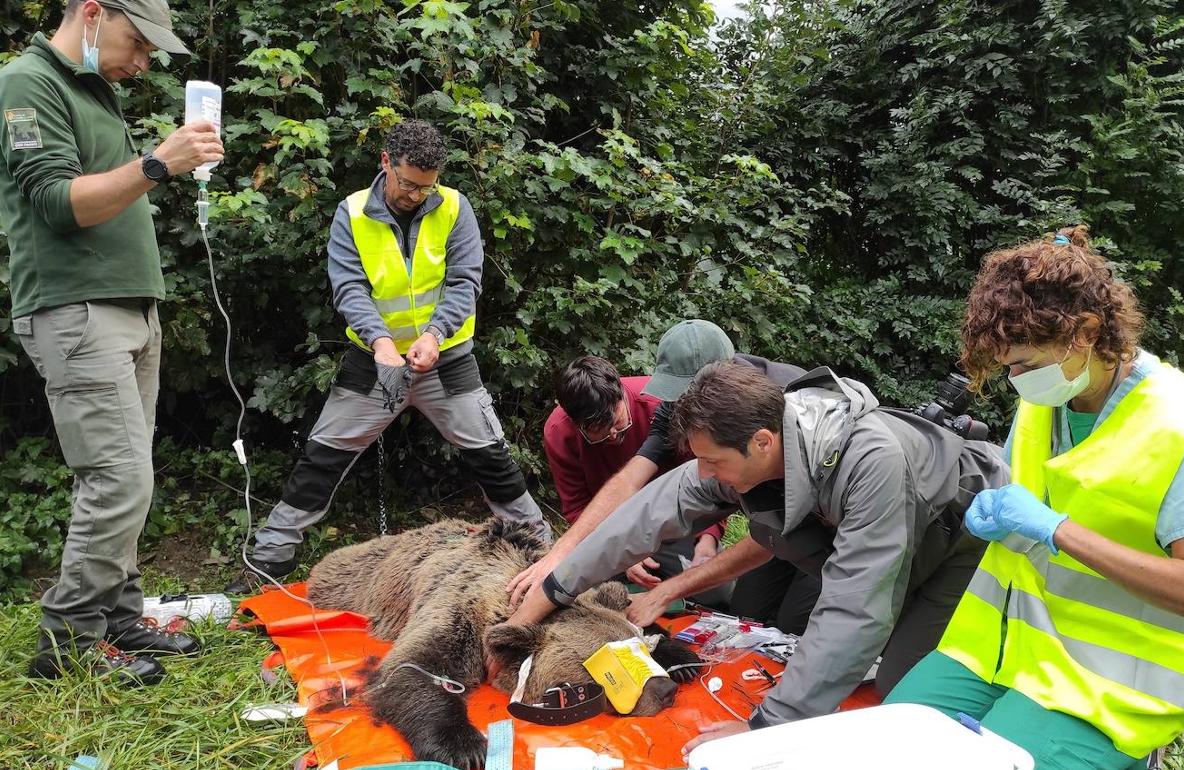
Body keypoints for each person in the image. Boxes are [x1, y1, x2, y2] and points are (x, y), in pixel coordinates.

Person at [495, 361, 1009, 754]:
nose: (705, 475)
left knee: (902, 687)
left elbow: (856, 608)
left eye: (714, 463)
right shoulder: (744, 447)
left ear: (762, 443)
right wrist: (546, 596)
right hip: (898, 547)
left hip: (961, 544)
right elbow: (641, 517)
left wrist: (765, 729)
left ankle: (1007, 706)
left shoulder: (870, 461)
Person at [885, 226, 1184, 770]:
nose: (1016, 381)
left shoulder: (1183, 429)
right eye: (1008, 367)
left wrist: (1056, 530)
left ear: (1086, 332)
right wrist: (1001, 515)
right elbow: (1032, 498)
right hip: (1004, 648)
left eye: (1025, 365)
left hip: (1115, 680)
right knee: (891, 740)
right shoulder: (1050, 398)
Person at [225, 119, 548, 592]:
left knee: (492, 458)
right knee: (322, 457)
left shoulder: (456, 207)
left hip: (448, 361)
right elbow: (349, 288)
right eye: (408, 184)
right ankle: (267, 561)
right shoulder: (351, 212)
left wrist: (435, 335)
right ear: (386, 163)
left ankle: (546, 554)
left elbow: (465, 282)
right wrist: (381, 344)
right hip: (373, 364)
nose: (416, 195)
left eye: (427, 187)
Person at [1, 0, 223, 684]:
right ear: (93, 14)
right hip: (76, 308)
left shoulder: (93, 88)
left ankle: (120, 615)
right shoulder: (27, 81)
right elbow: (56, 203)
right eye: (139, 42)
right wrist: (157, 163)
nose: (145, 61)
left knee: (132, 475)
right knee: (118, 479)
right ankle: (66, 642)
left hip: (127, 309)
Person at [511, 319, 820, 632]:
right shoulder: (681, 405)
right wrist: (561, 557)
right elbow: (633, 479)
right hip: (772, 522)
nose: (679, 405)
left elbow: (771, 535)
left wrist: (674, 583)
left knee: (797, 624)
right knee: (748, 615)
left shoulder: (780, 411)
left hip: (828, 528)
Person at [543, 355, 727, 605]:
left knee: (719, 593)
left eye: (618, 423)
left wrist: (707, 539)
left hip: (673, 527)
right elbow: (577, 508)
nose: (613, 435)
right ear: (576, 424)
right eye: (600, 432)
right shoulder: (558, 432)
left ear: (620, 394)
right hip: (606, 535)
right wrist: (625, 552)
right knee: (577, 596)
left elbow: (709, 476)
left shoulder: (662, 403)